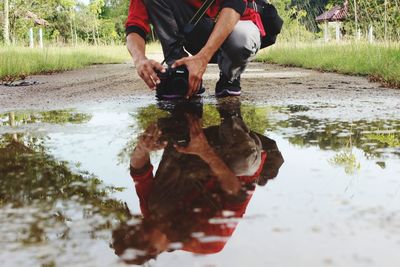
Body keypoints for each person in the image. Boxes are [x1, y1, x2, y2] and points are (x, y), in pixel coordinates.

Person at [112, 98, 284, 264]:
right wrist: (206, 152)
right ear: (153, 249)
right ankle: (230, 110)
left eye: (138, 225)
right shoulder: (208, 242)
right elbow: (238, 194)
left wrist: (142, 149)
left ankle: (186, 109)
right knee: (243, 163)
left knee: (157, 203)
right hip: (239, 154)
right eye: (144, 233)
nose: (144, 223)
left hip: (195, 146)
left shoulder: (150, 214)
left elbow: (139, 172)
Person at [125, 0, 265, 98]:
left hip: (236, 24)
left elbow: (235, 4)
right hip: (196, 27)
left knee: (243, 38)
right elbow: (134, 25)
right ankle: (180, 69)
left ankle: (230, 74)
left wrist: (203, 57)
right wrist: (139, 59)